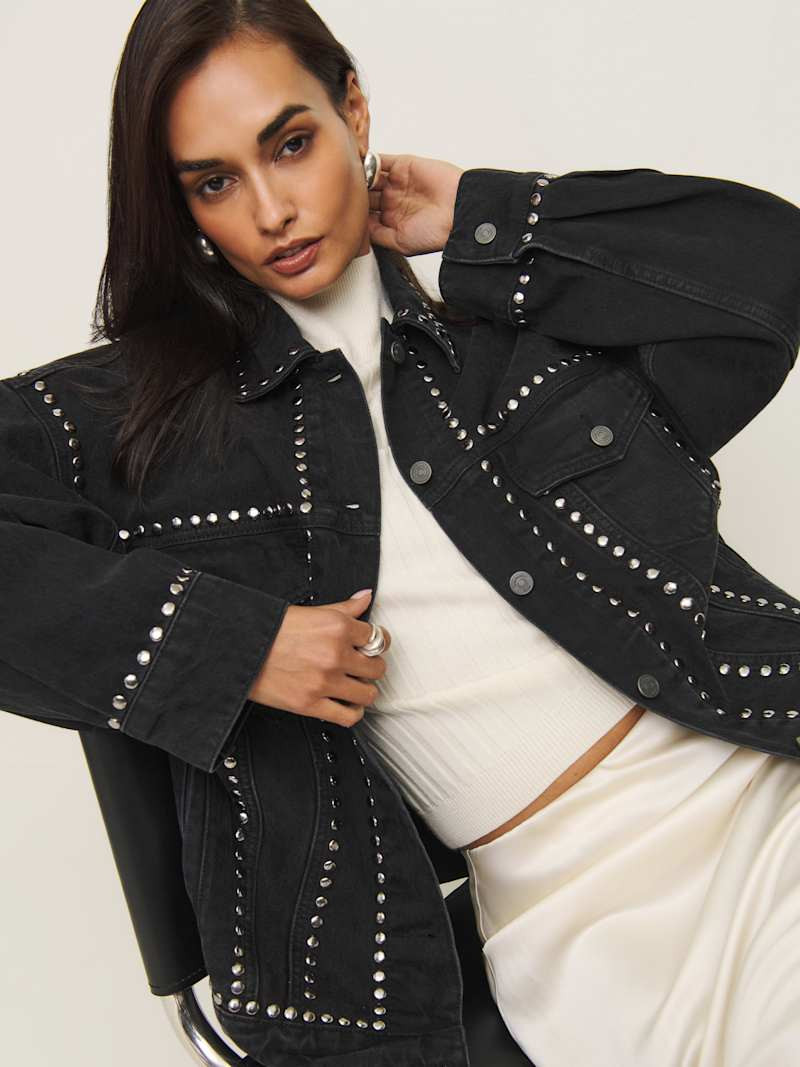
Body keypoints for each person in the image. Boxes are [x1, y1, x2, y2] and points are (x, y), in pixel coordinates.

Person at [2, 1, 800, 1065]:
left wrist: (484, 218)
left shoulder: (518, 336)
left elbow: (768, 274)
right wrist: (233, 646)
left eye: (291, 143)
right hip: (581, 922)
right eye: (215, 181)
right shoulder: (146, 429)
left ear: (354, 111)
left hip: (768, 782)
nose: (274, 210)